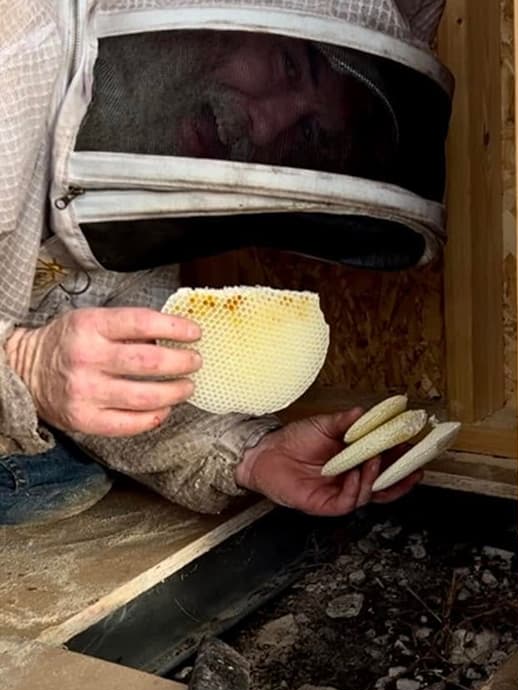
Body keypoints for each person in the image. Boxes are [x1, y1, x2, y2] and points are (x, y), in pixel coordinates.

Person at [0, 0, 450, 526]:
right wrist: (23, 362)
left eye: (309, 133)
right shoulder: (21, 46)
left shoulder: (150, 173)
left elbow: (121, 380)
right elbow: (42, 371)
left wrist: (252, 455)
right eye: (286, 64)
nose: (268, 126)